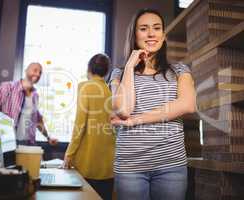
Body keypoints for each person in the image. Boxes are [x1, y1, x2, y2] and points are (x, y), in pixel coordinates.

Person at [109, 9, 196, 200]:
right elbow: (124, 110)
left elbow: (188, 105)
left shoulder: (180, 70)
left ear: (163, 36)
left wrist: (137, 120)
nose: (151, 34)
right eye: (143, 29)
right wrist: (130, 67)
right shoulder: (119, 73)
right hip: (130, 167)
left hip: (171, 166)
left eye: (157, 28)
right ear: (135, 35)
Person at [63, 54, 115, 200]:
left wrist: (69, 153)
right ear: (106, 72)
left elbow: (80, 123)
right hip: (108, 166)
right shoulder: (111, 91)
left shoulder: (85, 87)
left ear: (89, 69)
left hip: (87, 164)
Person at [0, 62, 58, 146]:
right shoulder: (7, 87)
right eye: (35, 70)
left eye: (40, 72)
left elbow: (38, 120)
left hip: (28, 144)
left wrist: (48, 137)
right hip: (6, 142)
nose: (38, 74)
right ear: (26, 71)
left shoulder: (35, 95)